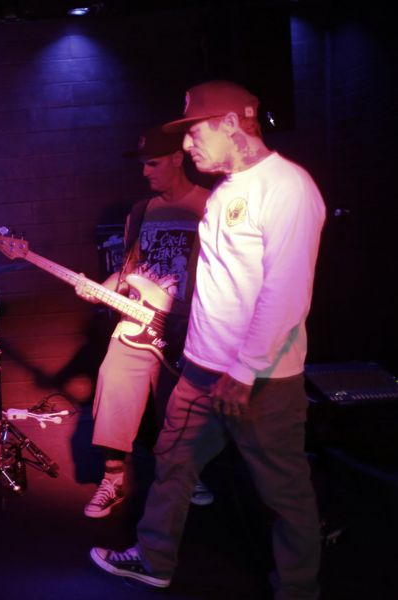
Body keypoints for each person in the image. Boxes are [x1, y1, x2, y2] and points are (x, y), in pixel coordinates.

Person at [90, 80, 325, 599]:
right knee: (172, 464)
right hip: (200, 370)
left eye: (194, 132)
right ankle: (153, 559)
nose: (187, 144)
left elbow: (286, 294)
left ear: (230, 124)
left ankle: (298, 588)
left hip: (260, 380)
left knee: (284, 493)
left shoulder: (288, 188)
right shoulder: (224, 192)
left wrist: (244, 372)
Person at [77, 126, 211, 518]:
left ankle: (186, 473)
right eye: (143, 165)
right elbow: (128, 269)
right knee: (113, 385)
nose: (145, 172)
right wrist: (99, 288)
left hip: (186, 326)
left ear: (177, 159)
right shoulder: (140, 212)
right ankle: (113, 478)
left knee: (179, 407)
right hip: (135, 321)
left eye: (153, 164)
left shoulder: (210, 204)